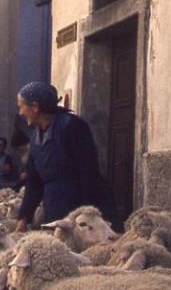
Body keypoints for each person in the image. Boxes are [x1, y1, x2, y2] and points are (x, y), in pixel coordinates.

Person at [15, 81, 115, 232]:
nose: (20, 112)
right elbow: (33, 181)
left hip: (78, 208)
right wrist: (24, 218)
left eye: (21, 106)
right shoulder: (36, 136)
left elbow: (87, 172)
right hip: (53, 207)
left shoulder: (72, 126)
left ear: (35, 107)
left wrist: (85, 214)